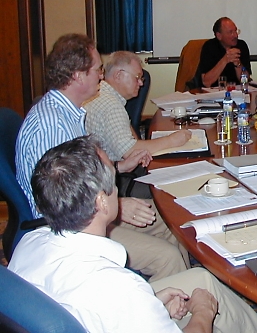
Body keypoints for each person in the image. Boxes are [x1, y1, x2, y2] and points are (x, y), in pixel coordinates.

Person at [8, 136, 257, 333]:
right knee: (206, 299)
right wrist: (203, 312)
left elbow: (96, 308)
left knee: (201, 279)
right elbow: (118, 299)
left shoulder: (30, 242)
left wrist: (151, 303)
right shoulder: (123, 288)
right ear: (101, 202)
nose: (117, 185)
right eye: (113, 180)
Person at [15, 33, 188, 281]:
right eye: (97, 70)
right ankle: (161, 302)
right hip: (68, 231)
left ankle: (186, 289)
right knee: (167, 256)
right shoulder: (52, 126)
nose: (101, 75)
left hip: (88, 210)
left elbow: (80, 175)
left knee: (171, 223)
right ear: (78, 75)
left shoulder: (69, 113)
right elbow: (61, 205)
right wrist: (116, 207)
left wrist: (119, 166)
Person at [85, 51, 192, 161]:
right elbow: (130, 151)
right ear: (118, 75)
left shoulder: (102, 94)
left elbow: (131, 139)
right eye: (137, 77)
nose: (141, 83)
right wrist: (171, 140)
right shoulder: (111, 105)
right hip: (112, 169)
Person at [192, 17, 252, 88]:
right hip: (213, 92)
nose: (235, 35)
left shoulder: (242, 45)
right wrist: (225, 59)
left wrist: (238, 64)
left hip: (236, 90)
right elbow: (206, 82)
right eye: (230, 32)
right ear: (219, 36)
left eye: (236, 31)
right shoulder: (209, 47)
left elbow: (246, 80)